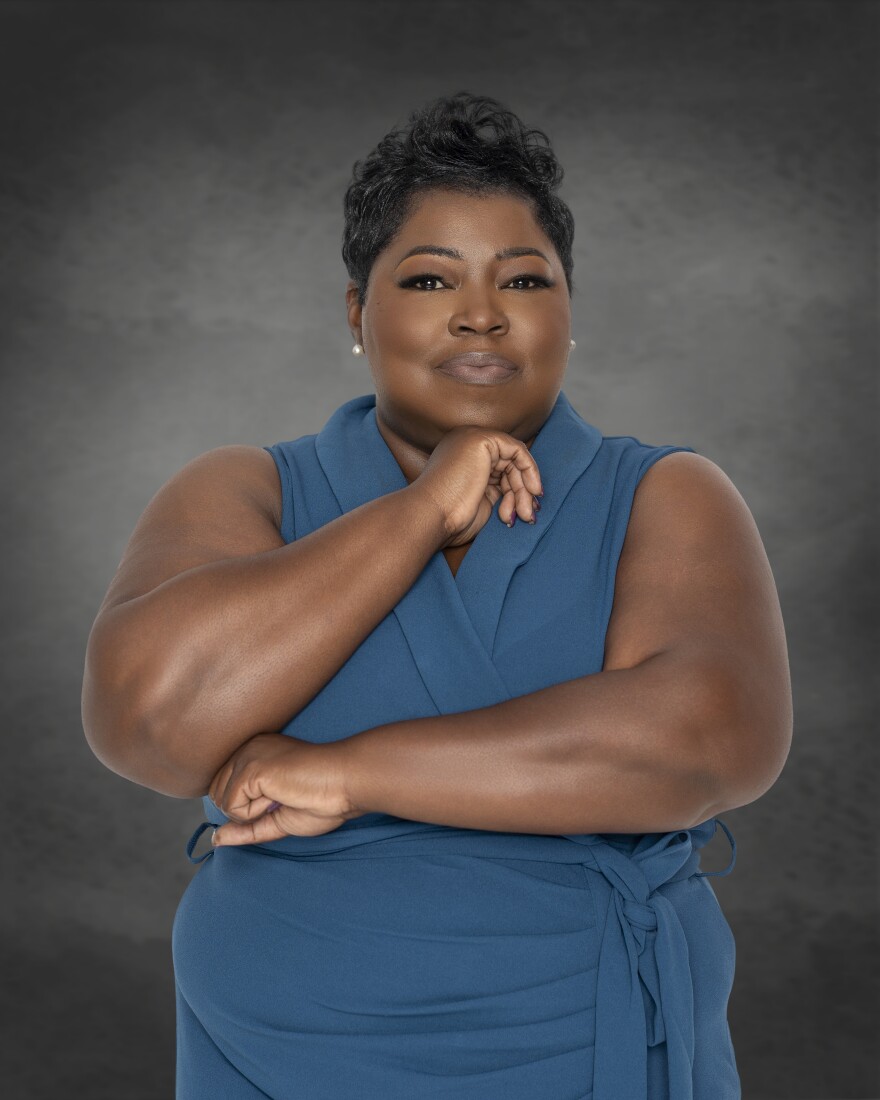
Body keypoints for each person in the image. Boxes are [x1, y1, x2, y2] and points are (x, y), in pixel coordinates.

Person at [81, 92, 792, 1099]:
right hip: (281, 1054)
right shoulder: (247, 487)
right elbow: (149, 718)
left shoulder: (663, 493)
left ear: (568, 315)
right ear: (354, 311)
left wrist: (349, 772)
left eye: (525, 278)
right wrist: (416, 514)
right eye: (428, 276)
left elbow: (706, 739)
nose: (480, 311)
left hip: (590, 1044)